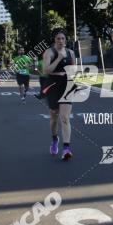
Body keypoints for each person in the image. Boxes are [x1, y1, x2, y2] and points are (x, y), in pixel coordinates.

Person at [41, 29, 76, 159]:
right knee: (54, 117)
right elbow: (46, 70)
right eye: (58, 39)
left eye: (63, 38)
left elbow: (73, 70)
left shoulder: (71, 53)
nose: (61, 41)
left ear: (65, 40)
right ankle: (55, 139)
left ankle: (66, 148)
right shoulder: (49, 52)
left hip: (66, 85)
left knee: (65, 118)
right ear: (54, 40)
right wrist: (59, 59)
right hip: (53, 85)